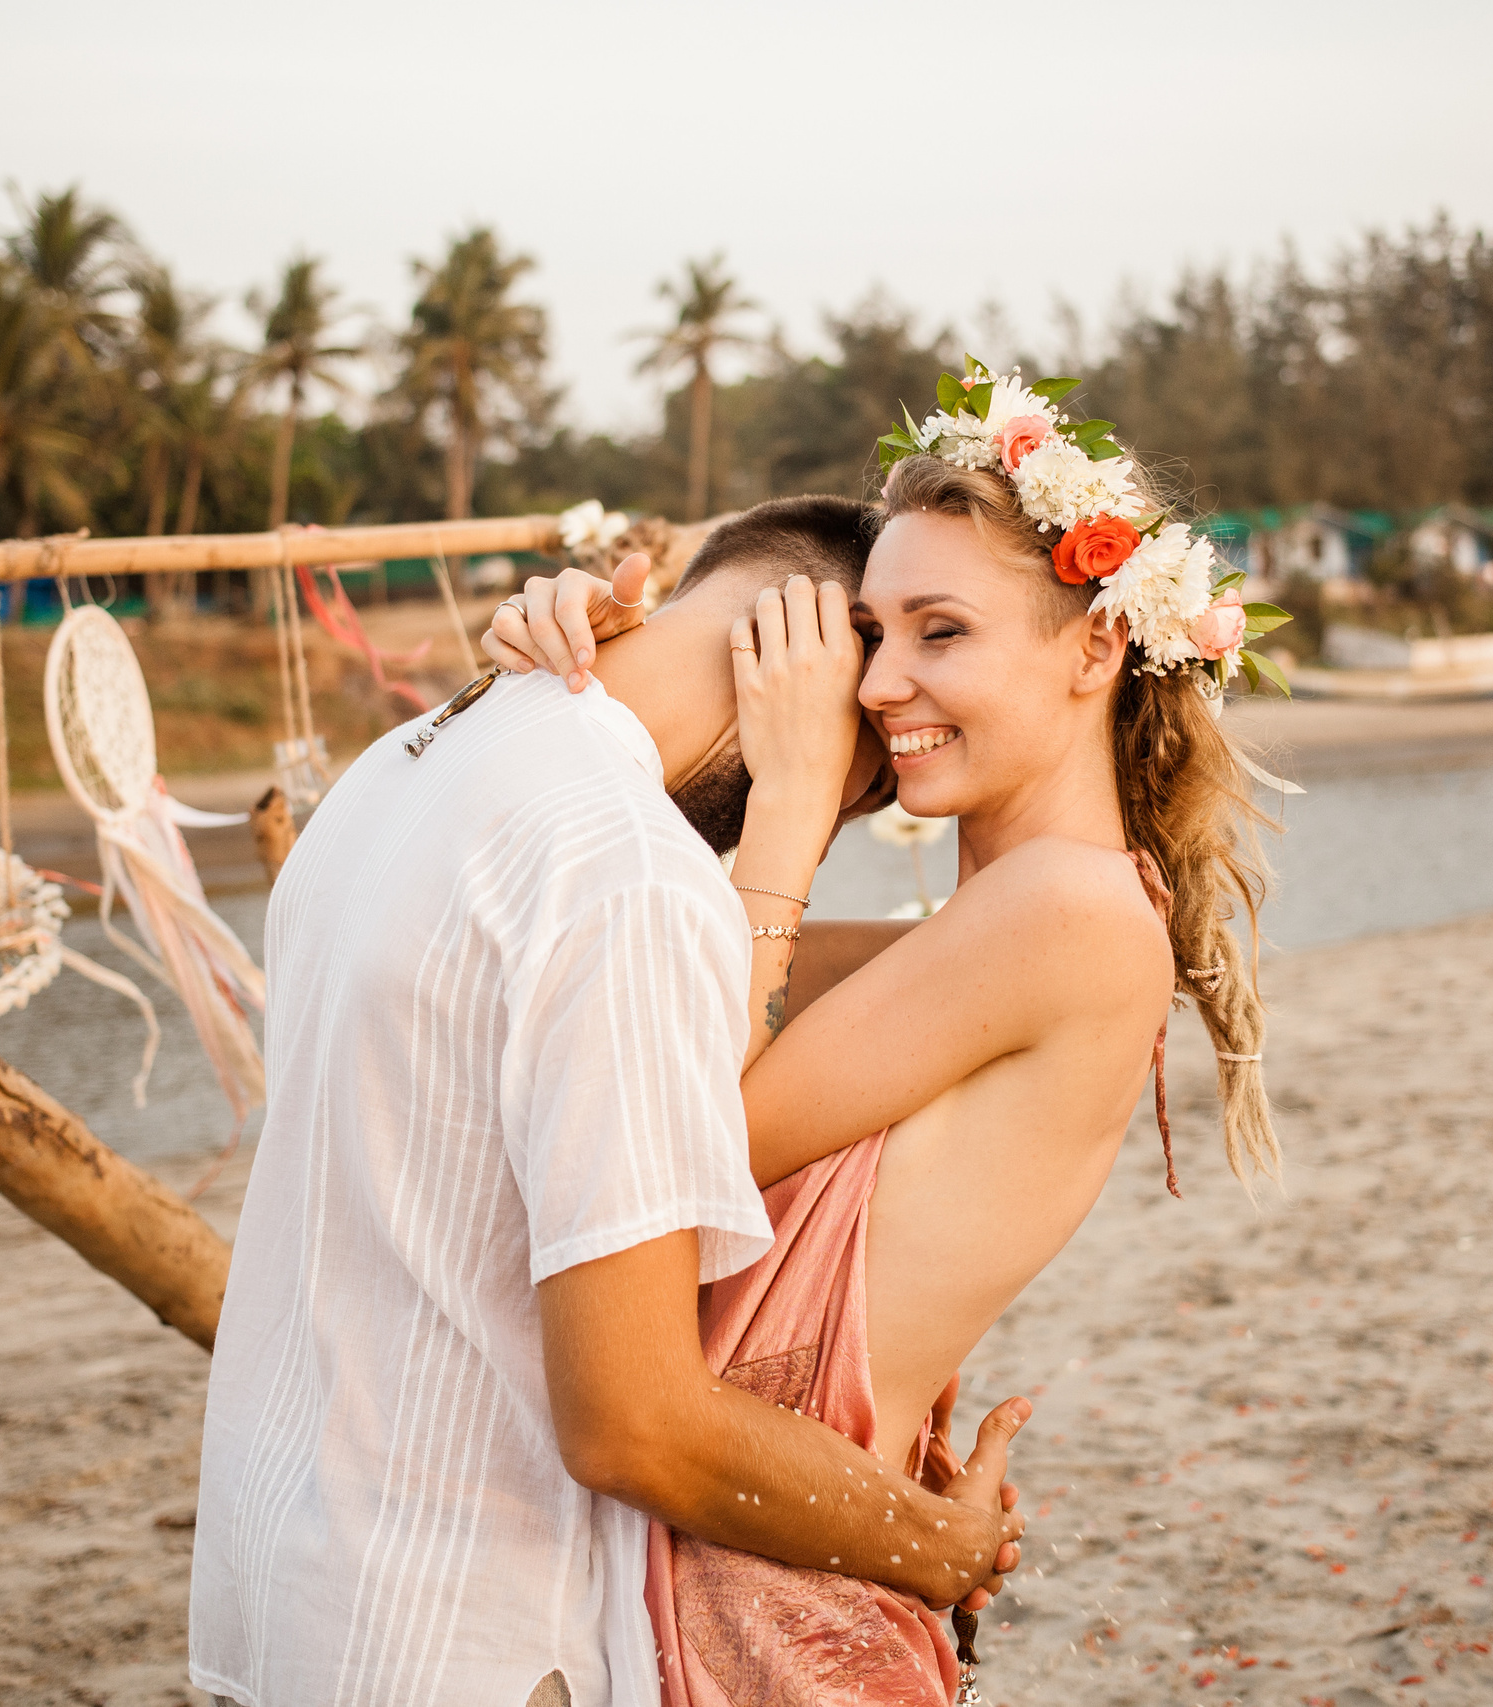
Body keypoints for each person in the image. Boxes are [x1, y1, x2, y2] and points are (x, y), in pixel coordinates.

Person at [482, 361, 1288, 1705]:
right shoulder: (1020, 922)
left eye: (942, 632)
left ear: (1099, 644)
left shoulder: (1061, 909)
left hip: (772, 1604)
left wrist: (794, 810)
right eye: (874, 631)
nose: (878, 681)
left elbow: (678, 1135)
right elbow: (668, 981)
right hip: (769, 1566)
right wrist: (591, 652)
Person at [189, 495, 1033, 1707]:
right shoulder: (628, 875)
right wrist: (933, 1546)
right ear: (812, 655)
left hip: (282, 1591)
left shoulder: (410, 758)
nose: (853, 808)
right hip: (465, 1633)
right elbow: (635, 1422)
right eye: (865, 788)